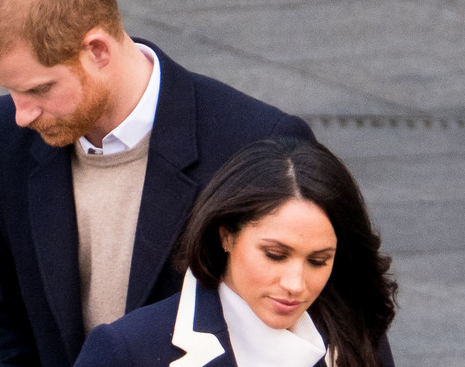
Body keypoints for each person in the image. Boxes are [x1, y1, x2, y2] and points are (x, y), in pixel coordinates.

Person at [0, 0, 320, 367]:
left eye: (38, 89)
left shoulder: (255, 143)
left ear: (98, 50)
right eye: (10, 91)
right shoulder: (1, 137)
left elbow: (332, 312)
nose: (21, 115)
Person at [74, 138, 398, 367]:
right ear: (226, 235)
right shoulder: (127, 350)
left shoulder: (356, 332)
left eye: (318, 260)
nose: (296, 284)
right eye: (275, 254)